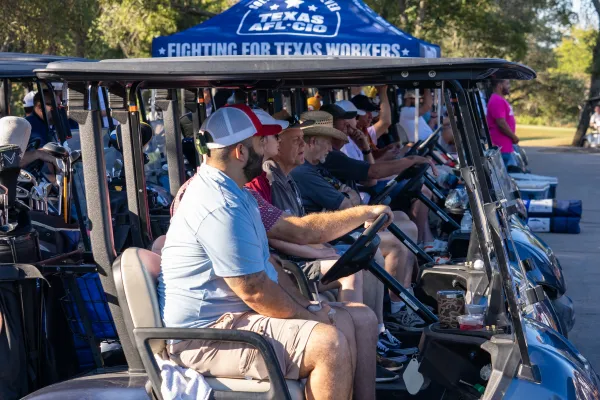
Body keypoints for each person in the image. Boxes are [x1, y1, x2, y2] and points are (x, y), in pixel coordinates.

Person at [159, 104, 380, 399]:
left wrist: (309, 306)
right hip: (206, 337)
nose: (267, 149)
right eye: (261, 142)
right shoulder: (217, 204)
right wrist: (308, 317)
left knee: (359, 318)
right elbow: (254, 290)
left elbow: (276, 260)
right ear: (241, 152)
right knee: (327, 343)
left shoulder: (239, 194)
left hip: (235, 319)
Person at [291, 111, 429, 332]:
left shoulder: (320, 164)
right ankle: (388, 319)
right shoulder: (303, 172)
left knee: (393, 233)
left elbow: (359, 191)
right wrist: (410, 160)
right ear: (314, 141)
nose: (332, 147)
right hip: (328, 236)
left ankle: (395, 310)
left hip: (334, 230)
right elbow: (349, 203)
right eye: (328, 141)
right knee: (386, 247)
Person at [486, 79, 518, 162]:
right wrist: (514, 137)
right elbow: (501, 123)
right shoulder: (497, 100)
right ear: (499, 85)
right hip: (502, 148)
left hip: (506, 146)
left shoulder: (500, 99)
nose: (509, 86)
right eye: (507, 84)